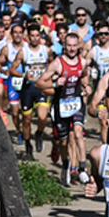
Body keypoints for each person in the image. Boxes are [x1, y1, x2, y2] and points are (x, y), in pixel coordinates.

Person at [37, 32, 91, 185]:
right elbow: (39, 83)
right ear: (64, 46)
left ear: (79, 46)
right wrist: (54, 84)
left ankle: (82, 168)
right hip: (60, 105)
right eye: (69, 46)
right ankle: (66, 164)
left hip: (77, 102)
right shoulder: (57, 63)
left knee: (78, 133)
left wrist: (86, 87)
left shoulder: (83, 62)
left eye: (75, 45)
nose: (72, 49)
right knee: (63, 141)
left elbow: (84, 76)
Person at [9, 24, 52, 158]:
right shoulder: (23, 52)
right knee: (26, 120)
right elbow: (12, 69)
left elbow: (53, 64)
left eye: (37, 36)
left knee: (42, 117)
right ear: (27, 37)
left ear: (40, 36)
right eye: (32, 36)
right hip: (27, 89)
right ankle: (28, 145)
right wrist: (23, 75)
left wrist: (49, 77)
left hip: (41, 88)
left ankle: (39, 133)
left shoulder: (46, 50)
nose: (34, 39)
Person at [0, 24, 27, 141]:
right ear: (11, 34)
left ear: (23, 34)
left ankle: (26, 131)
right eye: (15, 32)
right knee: (15, 113)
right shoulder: (7, 48)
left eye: (20, 32)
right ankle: (19, 131)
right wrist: (3, 71)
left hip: (26, 83)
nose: (18, 35)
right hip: (13, 83)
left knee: (26, 111)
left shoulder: (27, 47)